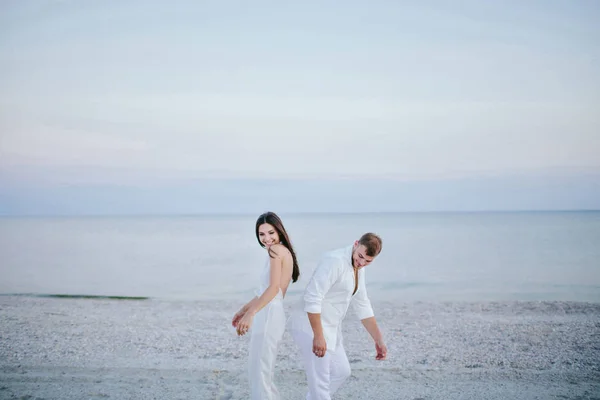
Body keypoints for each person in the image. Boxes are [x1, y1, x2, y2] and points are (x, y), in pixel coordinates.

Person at [288, 232, 387, 400]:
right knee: (320, 381)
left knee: (342, 371)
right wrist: (318, 336)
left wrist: (378, 340)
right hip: (309, 325)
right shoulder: (334, 261)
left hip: (331, 326)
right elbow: (313, 297)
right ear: (356, 243)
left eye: (368, 261)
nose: (361, 262)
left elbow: (362, 304)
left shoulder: (358, 268)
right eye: (360, 256)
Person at [232, 211, 300, 400]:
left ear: (279, 231)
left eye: (270, 232)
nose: (266, 238)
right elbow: (266, 292)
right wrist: (243, 310)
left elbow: (273, 290)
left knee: (260, 372)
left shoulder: (276, 251)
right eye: (262, 234)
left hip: (269, 314)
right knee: (261, 371)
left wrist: (250, 314)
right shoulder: (282, 250)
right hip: (270, 312)